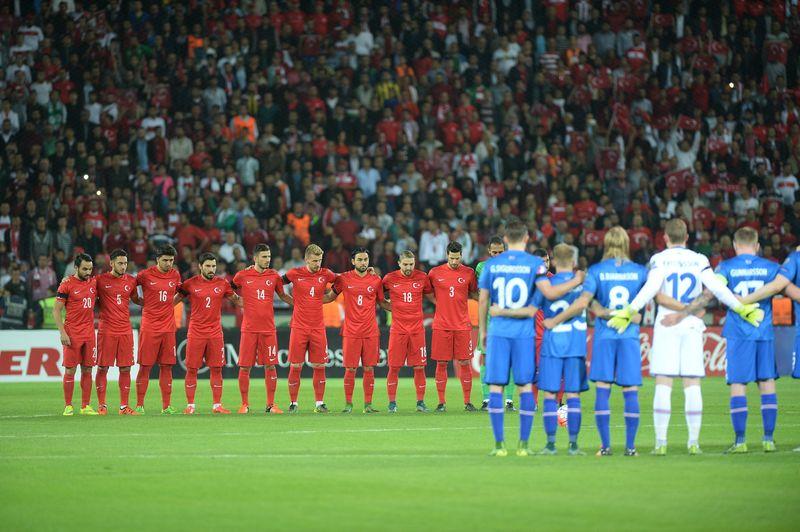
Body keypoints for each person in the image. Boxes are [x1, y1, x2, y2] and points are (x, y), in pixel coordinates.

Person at [621, 219, 761, 455]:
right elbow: (717, 289)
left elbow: (651, 290)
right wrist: (739, 307)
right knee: (692, 383)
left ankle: (661, 444)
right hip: (693, 324)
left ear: (665, 237)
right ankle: (693, 443)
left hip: (667, 323)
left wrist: (629, 310)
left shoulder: (658, 259)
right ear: (687, 237)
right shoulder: (700, 260)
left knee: (664, 384)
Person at [543, 227, 647, 456]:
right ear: (627, 243)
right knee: (630, 390)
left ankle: (606, 447)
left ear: (606, 244)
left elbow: (588, 303)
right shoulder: (640, 271)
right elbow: (641, 312)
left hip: (605, 336)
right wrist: (627, 315)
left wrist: (604, 312)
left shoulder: (597, 272)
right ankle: (630, 448)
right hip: (628, 335)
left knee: (603, 389)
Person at [477, 220, 548, 457]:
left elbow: (484, 300)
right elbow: (537, 304)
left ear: (505, 239)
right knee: (525, 386)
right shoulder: (536, 264)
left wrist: (483, 332)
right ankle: (523, 445)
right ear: (526, 238)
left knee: (496, 387)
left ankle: (499, 445)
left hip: (498, 333)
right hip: (524, 335)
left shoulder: (491, 265)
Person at [713, 227, 780, 453]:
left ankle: (740, 441)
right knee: (767, 382)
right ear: (758, 245)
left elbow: (716, 288)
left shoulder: (726, 267)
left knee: (739, 384)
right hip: (764, 331)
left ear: (734, 245)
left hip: (739, 333)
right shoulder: (771, 267)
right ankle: (768, 439)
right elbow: (784, 290)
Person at [530, 244, 588, 455]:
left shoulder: (545, 285)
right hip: (575, 347)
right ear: (573, 262)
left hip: (551, 346)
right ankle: (573, 445)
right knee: (573, 395)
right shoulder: (583, 284)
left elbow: (530, 309)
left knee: (549, 395)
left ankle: (550, 444)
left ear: (553, 261)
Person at [232, 244, 293, 414]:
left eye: (269, 256)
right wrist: (239, 301)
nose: (268, 260)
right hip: (249, 329)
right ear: (255, 258)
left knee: (271, 366)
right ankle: (244, 404)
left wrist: (300, 305)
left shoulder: (274, 276)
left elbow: (283, 295)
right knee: (244, 367)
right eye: (264, 257)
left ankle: (271, 404)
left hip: (268, 329)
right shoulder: (242, 275)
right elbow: (229, 289)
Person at [177, 253, 240, 414]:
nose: (211, 269)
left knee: (217, 368)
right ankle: (190, 406)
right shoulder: (189, 284)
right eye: (208, 266)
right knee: (192, 369)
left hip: (215, 333)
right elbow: (174, 300)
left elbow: (237, 300)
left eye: (213, 266)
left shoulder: (223, 283)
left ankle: (217, 405)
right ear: (200, 266)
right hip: (196, 332)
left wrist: (259, 302)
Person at [328, 247, 388, 413]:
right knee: (350, 368)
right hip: (351, 331)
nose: (363, 263)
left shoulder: (376, 280)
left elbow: (383, 302)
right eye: (360, 260)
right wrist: (310, 302)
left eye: (365, 260)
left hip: (370, 331)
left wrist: (402, 308)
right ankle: (348, 404)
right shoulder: (344, 278)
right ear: (353, 261)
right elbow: (330, 296)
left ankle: (368, 405)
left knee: (369, 368)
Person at [282, 244, 337, 413]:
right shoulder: (294, 273)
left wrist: (330, 297)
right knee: (296, 365)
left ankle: (319, 403)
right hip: (299, 326)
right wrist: (291, 301)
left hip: (318, 327)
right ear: (306, 259)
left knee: (319, 365)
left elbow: (342, 281)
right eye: (314, 261)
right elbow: (276, 283)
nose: (317, 264)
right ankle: (293, 403)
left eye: (319, 260)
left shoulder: (326, 274)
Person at [427, 241, 479, 412]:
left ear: (461, 256)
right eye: (452, 258)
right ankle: (441, 402)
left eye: (457, 258)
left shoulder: (469, 273)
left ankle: (467, 402)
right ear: (447, 255)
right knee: (441, 363)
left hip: (462, 325)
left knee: (464, 362)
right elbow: (427, 292)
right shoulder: (435, 273)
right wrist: (439, 303)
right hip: (442, 326)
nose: (455, 261)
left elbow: (473, 293)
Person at [134, 245, 182, 415]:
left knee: (167, 366)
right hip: (149, 327)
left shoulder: (175, 275)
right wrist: (139, 301)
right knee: (145, 366)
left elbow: (182, 292)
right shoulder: (145, 275)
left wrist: (172, 304)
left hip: (168, 328)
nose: (169, 263)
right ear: (157, 260)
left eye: (171, 260)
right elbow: (129, 286)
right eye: (165, 260)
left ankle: (166, 406)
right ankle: (139, 405)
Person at [382, 250, 432, 413]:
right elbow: (378, 296)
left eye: (411, 264)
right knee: (394, 367)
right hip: (398, 330)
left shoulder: (422, 277)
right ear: (399, 263)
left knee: (419, 367)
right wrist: (391, 308)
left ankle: (420, 402)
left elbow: (431, 295)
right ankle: (392, 403)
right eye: (405, 264)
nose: (409, 267)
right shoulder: (389, 278)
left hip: (417, 329)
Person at [95, 249, 140, 416]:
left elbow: (136, 299)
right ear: (111, 263)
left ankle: (124, 407)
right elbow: (86, 290)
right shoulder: (100, 280)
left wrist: (155, 302)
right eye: (120, 263)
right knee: (103, 367)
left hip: (125, 330)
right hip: (106, 329)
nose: (123, 266)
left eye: (125, 263)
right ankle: (102, 405)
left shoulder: (131, 281)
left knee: (126, 368)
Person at [54, 253, 98, 416]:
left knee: (87, 369)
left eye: (90, 269)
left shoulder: (94, 282)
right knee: (70, 370)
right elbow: (56, 310)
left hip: (89, 333)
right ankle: (68, 405)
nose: (88, 272)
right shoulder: (66, 285)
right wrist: (62, 332)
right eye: (85, 269)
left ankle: (85, 405)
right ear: (76, 268)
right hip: (72, 333)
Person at [475, 237, 513, 411]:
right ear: (489, 252)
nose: (497, 255)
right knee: (486, 358)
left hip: (509, 319)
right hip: (490, 320)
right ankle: (487, 399)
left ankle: (509, 400)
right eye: (494, 252)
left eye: (500, 252)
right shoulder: (482, 267)